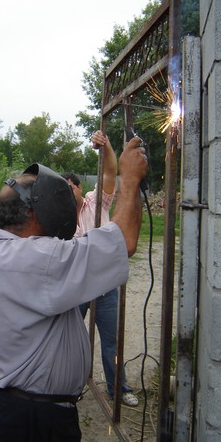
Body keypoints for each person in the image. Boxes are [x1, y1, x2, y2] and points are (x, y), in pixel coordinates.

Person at [0, 136, 148, 442]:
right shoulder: (39, 259)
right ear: (39, 211)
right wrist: (131, 179)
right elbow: (124, 242)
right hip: (39, 419)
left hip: (15, 410)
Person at [62, 130, 139, 407]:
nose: (67, 192)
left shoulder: (96, 202)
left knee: (111, 340)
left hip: (104, 286)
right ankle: (66, 389)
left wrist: (104, 147)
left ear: (79, 187)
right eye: (62, 189)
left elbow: (109, 172)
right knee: (67, 339)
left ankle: (118, 388)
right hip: (77, 287)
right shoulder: (57, 218)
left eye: (69, 186)